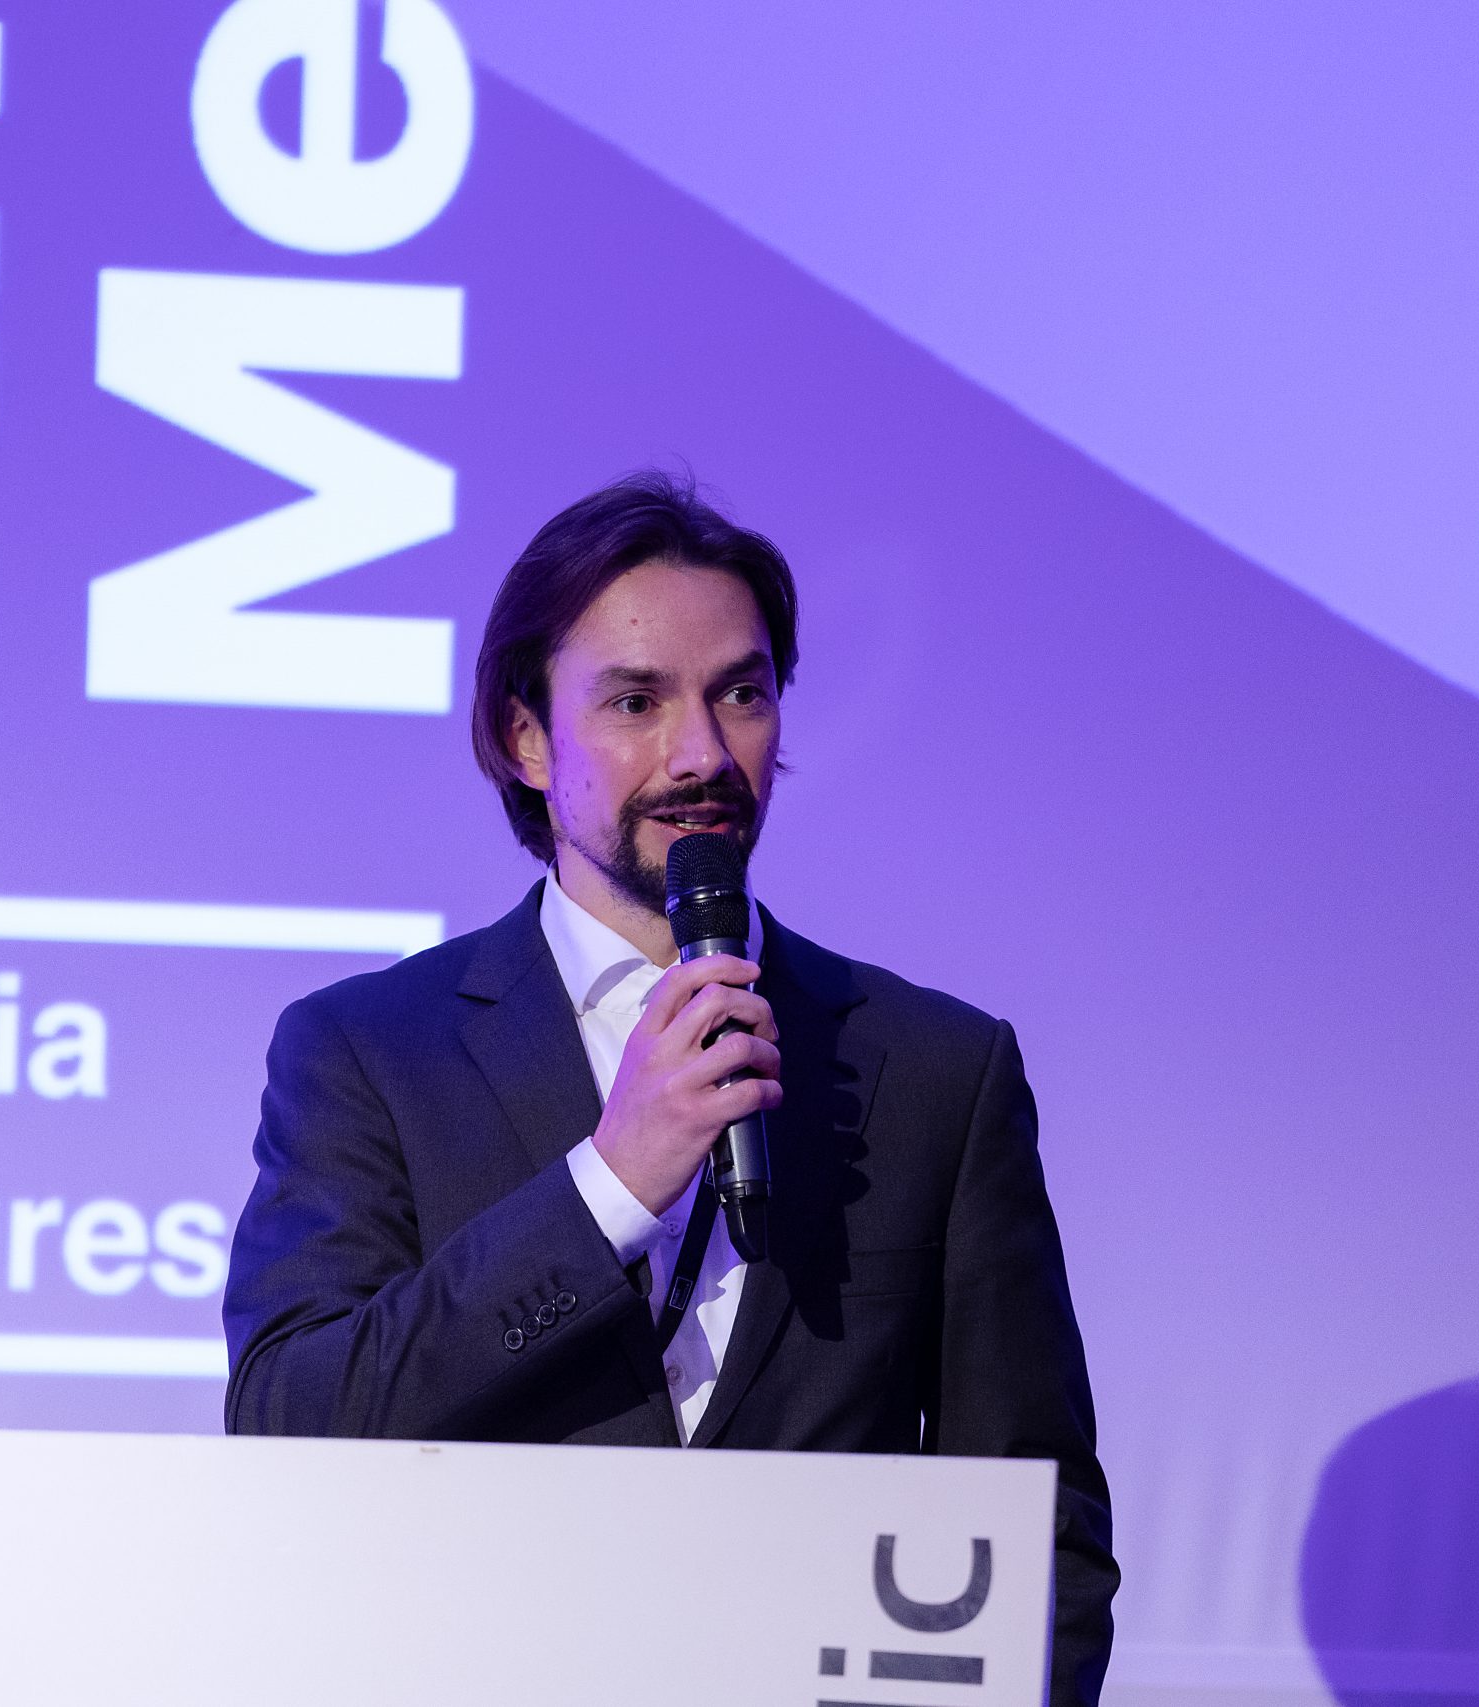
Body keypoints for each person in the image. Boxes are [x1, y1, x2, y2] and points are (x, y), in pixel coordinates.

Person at [224, 472, 1118, 1703]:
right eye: (636, 702)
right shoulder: (368, 1051)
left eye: (740, 694)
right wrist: (608, 1188)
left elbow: (1035, 1529)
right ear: (525, 738)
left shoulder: (934, 1069)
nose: (701, 755)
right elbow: (292, 1426)